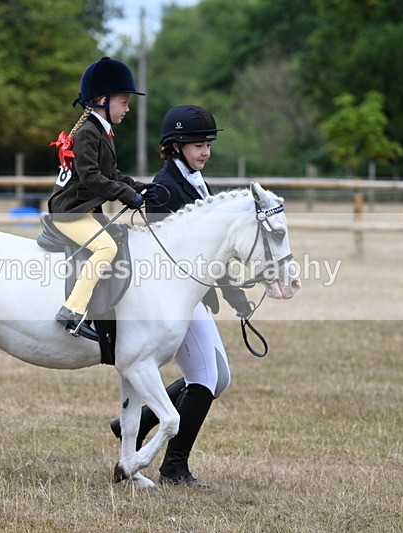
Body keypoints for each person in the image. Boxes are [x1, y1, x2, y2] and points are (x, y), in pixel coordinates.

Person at [109, 105, 253, 487]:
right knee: (206, 378)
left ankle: (140, 421)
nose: (204, 151)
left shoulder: (195, 182)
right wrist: (225, 289)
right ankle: (174, 466)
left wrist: (232, 291)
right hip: (171, 300)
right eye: (196, 145)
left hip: (191, 298)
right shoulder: (165, 187)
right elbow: (177, 256)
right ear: (174, 146)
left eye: (207, 144)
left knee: (216, 379)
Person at [47, 57, 158, 341]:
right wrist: (126, 195)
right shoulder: (87, 133)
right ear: (101, 100)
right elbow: (91, 177)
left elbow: (112, 174)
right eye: (123, 102)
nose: (127, 109)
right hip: (70, 212)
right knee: (106, 249)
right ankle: (72, 310)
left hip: (88, 210)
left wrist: (139, 188)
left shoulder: (102, 132)